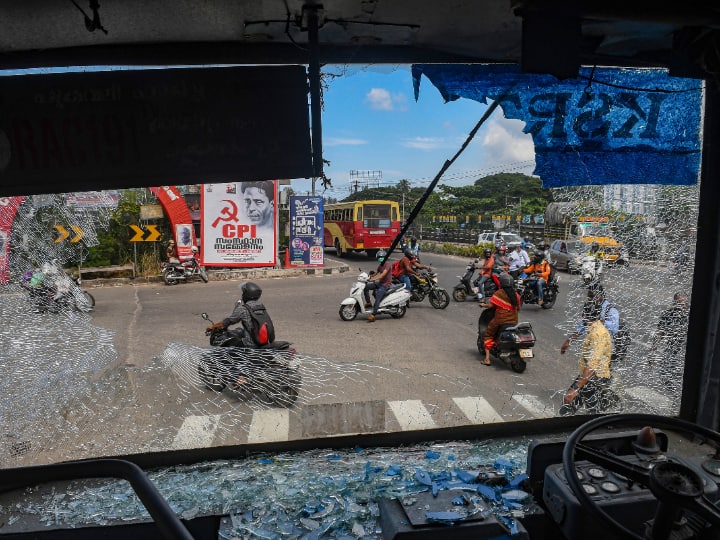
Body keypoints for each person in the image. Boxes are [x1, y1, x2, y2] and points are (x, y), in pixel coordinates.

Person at [560, 300, 614, 415]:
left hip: (594, 377)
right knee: (588, 410)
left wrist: (576, 388)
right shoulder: (595, 328)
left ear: (585, 315)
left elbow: (592, 363)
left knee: (569, 402)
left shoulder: (597, 334)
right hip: (592, 376)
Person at [561, 283, 627, 363]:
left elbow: (614, 328)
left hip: (611, 347)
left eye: (592, 296)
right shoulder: (592, 307)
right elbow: (583, 325)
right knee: (588, 365)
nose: (590, 299)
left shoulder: (610, 310)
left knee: (596, 369)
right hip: (597, 343)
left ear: (601, 296)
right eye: (589, 296)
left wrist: (598, 323)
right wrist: (568, 341)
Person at [205, 282, 275, 348]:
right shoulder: (260, 306)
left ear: (247, 294)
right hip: (263, 341)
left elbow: (228, 321)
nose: (242, 295)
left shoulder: (244, 308)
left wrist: (213, 326)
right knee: (240, 331)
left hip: (250, 343)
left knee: (229, 344)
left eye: (244, 293)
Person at [480, 273, 521, 366]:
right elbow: (518, 308)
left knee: (488, 335)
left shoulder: (499, 293)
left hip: (500, 320)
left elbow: (490, 306)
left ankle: (487, 359)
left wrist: (483, 305)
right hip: (514, 321)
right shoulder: (516, 295)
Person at [650, 292, 690, 387]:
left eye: (682, 303)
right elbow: (660, 333)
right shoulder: (668, 314)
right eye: (677, 303)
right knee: (667, 377)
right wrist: (653, 353)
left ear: (687, 302)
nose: (680, 306)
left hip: (686, 351)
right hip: (672, 351)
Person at [364, 249, 392, 322]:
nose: (380, 258)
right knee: (366, 287)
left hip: (385, 285)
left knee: (378, 297)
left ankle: (373, 314)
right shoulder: (381, 265)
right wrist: (368, 276)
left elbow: (382, 275)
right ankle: (369, 303)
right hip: (380, 283)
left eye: (382, 257)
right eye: (379, 257)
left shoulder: (387, 265)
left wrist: (373, 280)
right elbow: (375, 273)